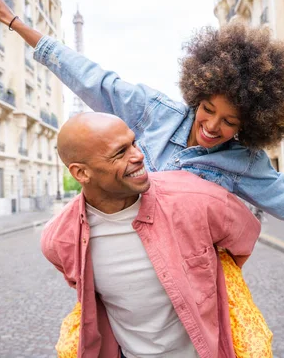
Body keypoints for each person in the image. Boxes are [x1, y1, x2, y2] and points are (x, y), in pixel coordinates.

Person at [0, 0, 284, 252]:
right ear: (197, 93)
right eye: (208, 109)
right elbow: (91, 77)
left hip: (186, 272)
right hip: (120, 258)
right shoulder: (154, 111)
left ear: (251, 124)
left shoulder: (244, 163)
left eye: (230, 122)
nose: (212, 127)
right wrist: (14, 21)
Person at [42, 112, 261, 357]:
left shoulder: (199, 197)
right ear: (81, 173)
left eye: (133, 143)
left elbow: (244, 237)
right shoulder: (59, 239)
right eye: (120, 153)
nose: (138, 156)